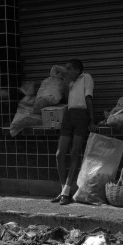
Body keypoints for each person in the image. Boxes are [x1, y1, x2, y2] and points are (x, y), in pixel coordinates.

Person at [51, 59, 97, 205]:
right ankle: (64, 189)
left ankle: (66, 192)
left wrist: (91, 120)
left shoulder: (86, 77)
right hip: (68, 115)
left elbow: (88, 99)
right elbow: (65, 97)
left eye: (69, 69)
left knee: (74, 153)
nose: (66, 71)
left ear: (77, 70)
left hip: (81, 115)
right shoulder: (70, 83)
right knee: (59, 154)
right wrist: (64, 81)